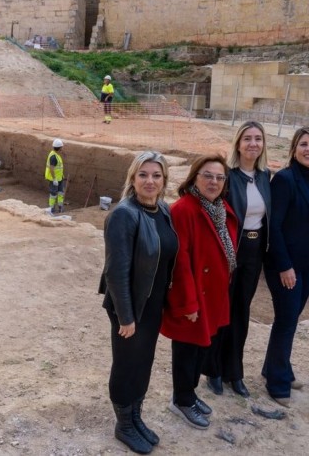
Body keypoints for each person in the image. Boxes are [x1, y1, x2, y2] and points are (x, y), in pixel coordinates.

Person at [100, 151, 176, 454]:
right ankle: (124, 424)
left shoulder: (164, 210)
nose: (150, 180)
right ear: (133, 178)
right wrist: (126, 317)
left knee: (144, 362)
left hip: (153, 303)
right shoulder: (124, 214)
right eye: (143, 174)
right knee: (126, 364)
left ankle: (136, 416)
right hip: (128, 306)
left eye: (156, 175)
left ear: (164, 180)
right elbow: (116, 271)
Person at [161, 154, 238, 430]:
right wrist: (188, 303)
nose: (213, 181)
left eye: (219, 177)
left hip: (213, 293)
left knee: (201, 348)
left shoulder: (218, 207)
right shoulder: (184, 210)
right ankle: (181, 399)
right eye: (207, 175)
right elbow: (180, 261)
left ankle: (189, 395)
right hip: (192, 296)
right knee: (186, 350)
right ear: (194, 177)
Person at [261, 127, 309, 407]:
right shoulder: (285, 180)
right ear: (294, 148)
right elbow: (273, 226)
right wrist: (285, 266)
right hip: (284, 265)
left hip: (307, 264)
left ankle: (275, 368)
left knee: (290, 319)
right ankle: (277, 383)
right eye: (303, 144)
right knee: (287, 321)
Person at [203, 120, 270, 399]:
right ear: (238, 144)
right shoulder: (227, 177)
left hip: (254, 253)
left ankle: (235, 372)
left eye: (258, 138)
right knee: (222, 310)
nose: (253, 144)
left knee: (242, 312)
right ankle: (213, 370)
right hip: (229, 252)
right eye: (247, 139)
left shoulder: (266, 177)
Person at [46, 138, 66, 214]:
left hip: (59, 178)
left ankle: (60, 208)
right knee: (53, 194)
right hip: (54, 179)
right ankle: (52, 209)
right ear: (60, 147)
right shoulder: (53, 157)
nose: (62, 148)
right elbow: (51, 168)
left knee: (61, 193)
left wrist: (61, 176)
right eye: (62, 147)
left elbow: (58, 168)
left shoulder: (56, 155)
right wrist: (54, 179)